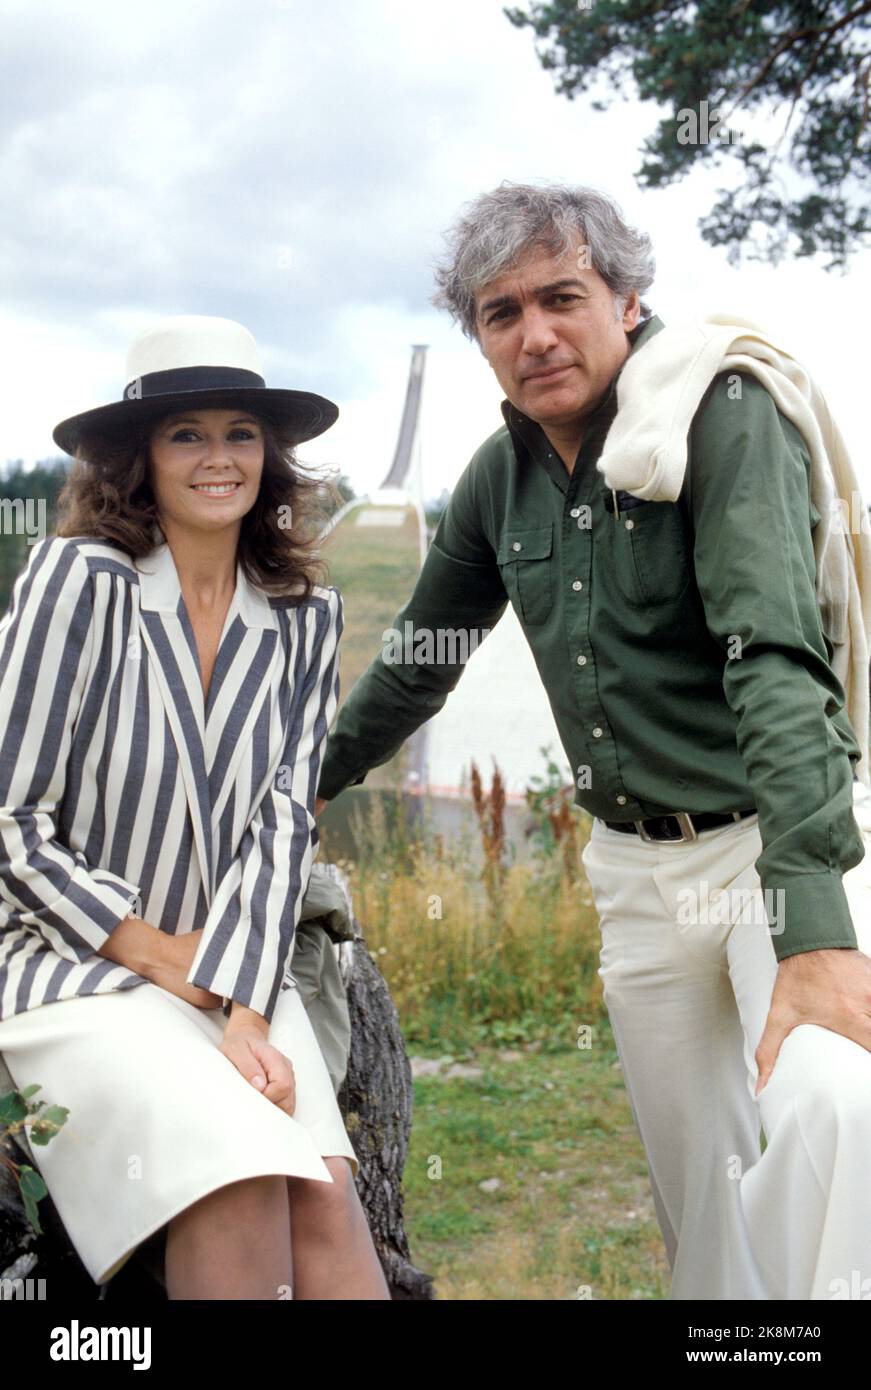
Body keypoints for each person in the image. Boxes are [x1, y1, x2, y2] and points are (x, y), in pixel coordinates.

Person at [314, 183, 871, 1301]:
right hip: (632, 871)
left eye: (561, 297)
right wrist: (291, 782)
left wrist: (812, 917)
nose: (534, 335)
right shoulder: (496, 478)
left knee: (830, 1101)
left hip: (771, 841)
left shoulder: (721, 413)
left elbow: (770, 652)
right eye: (499, 312)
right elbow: (420, 657)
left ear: (627, 298)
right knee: (698, 1195)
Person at [0, 314, 389, 1300]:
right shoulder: (76, 581)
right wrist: (162, 957)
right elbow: (10, 818)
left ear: (271, 453)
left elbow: (282, 825)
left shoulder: (305, 617)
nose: (219, 457)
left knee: (326, 1206)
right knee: (240, 1170)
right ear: (137, 457)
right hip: (71, 967)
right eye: (187, 434)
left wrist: (248, 1004)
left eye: (240, 432)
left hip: (236, 971)